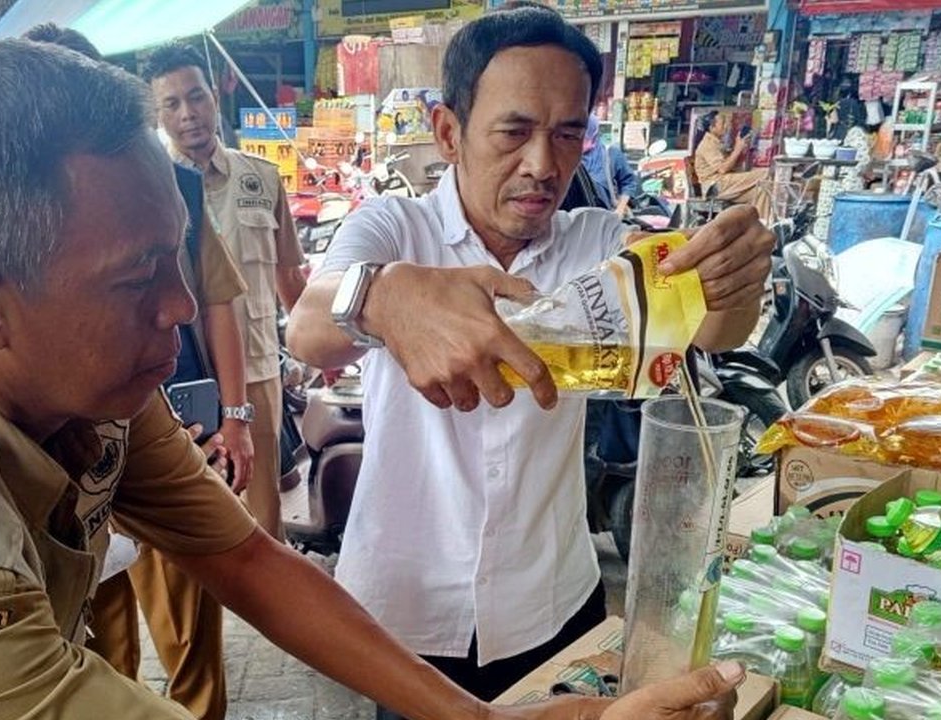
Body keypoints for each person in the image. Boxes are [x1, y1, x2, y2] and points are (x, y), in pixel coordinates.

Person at [0, 39, 745, 720]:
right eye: (137, 279)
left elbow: (246, 558)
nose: (181, 308)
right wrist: (376, 296)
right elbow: (316, 316)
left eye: (175, 257)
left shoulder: (57, 372)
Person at [287, 7, 772, 714]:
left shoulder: (597, 243)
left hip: (551, 600)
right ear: (449, 131)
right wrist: (386, 295)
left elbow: (714, 330)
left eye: (568, 133)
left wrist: (735, 278)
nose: (543, 165)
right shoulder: (394, 228)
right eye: (513, 131)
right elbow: (306, 328)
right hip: (409, 614)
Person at [14, 24, 250, 720]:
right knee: (92, 626)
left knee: (187, 610)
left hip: (159, 417)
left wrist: (235, 414)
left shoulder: (174, 191)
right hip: (57, 462)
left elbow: (213, 302)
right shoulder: (1, 219)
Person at [145, 42, 307, 541]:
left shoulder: (261, 179)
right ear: (157, 114)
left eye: (196, 96)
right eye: (172, 103)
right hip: (180, 382)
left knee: (263, 521)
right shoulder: (148, 189)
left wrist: (312, 347)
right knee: (195, 526)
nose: (188, 113)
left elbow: (288, 276)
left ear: (215, 95)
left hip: (256, 372)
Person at [692, 111, 771, 220]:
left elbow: (732, 164)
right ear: (712, 128)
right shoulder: (707, 145)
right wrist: (737, 148)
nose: (726, 126)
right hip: (715, 186)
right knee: (765, 173)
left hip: (725, 183)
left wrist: (742, 149)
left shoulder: (718, 143)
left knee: (762, 191)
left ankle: (761, 223)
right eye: (723, 123)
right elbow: (723, 169)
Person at [581, 114, 638, 216]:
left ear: (594, 134)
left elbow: (628, 183)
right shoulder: (567, 157)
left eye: (585, 136)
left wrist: (620, 209)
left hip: (607, 219)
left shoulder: (611, 154)